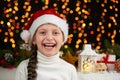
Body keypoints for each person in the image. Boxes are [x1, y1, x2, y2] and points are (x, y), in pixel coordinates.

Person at [15, 8, 78, 80]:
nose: (49, 38)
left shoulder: (70, 70)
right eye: (42, 32)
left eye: (55, 33)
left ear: (63, 39)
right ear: (33, 39)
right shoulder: (23, 68)